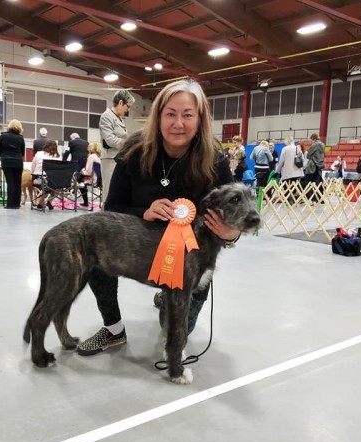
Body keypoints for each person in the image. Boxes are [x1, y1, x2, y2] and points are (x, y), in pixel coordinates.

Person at [76, 79, 240, 356]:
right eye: (170, 114)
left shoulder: (214, 157)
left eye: (188, 115)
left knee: (174, 333)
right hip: (138, 244)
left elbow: (235, 211)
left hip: (192, 256)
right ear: (158, 116)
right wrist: (144, 213)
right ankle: (113, 330)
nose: (178, 123)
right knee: (94, 255)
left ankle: (167, 294)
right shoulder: (133, 150)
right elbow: (112, 207)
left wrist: (231, 234)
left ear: (200, 119)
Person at [99, 89, 135, 202]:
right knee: (108, 193)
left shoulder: (119, 118)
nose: (128, 110)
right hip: (109, 159)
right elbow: (110, 140)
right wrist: (130, 143)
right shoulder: (106, 116)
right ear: (120, 103)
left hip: (118, 159)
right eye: (127, 106)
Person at [0, 119, 26, 209]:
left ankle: (10, 204)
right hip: (18, 162)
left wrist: (5, 156)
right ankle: (17, 204)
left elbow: (0, 150)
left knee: (10, 183)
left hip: (7, 162)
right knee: (18, 183)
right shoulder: (21, 138)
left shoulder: (3, 136)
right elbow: (22, 152)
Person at [31, 139, 60, 210]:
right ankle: (49, 201)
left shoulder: (38, 154)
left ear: (45, 146)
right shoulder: (57, 156)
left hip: (38, 179)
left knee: (47, 186)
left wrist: (33, 175)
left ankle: (41, 203)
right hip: (52, 180)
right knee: (59, 187)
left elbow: (32, 167)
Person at [275, 136, 304, 204]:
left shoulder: (285, 149)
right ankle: (295, 199)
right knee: (295, 186)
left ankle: (289, 199)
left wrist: (278, 170)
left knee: (286, 186)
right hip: (297, 171)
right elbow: (302, 158)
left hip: (287, 171)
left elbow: (281, 161)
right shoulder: (297, 148)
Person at [77, 142, 102, 207]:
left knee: (80, 182)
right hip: (100, 179)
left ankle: (86, 202)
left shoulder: (91, 157)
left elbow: (88, 172)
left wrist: (82, 171)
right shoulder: (100, 157)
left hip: (93, 179)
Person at [304, 133, 325, 203]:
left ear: (313, 138)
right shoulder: (323, 145)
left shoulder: (314, 145)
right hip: (319, 167)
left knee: (309, 183)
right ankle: (317, 199)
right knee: (317, 183)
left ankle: (310, 199)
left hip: (312, 166)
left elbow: (308, 156)